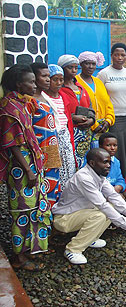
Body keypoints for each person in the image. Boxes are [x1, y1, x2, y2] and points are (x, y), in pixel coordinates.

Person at [52, 148, 126, 265]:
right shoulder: (84, 178)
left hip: (81, 212)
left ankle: (90, 238)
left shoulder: (98, 175)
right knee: (101, 215)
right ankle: (73, 249)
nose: (108, 165)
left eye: (109, 162)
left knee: (112, 206)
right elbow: (102, 205)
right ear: (92, 163)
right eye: (104, 162)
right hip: (64, 218)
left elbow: (113, 195)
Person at [0, 64, 52, 271]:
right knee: (22, 210)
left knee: (34, 207)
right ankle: (19, 257)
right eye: (30, 82)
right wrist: (28, 170)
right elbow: (11, 144)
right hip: (20, 168)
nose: (34, 85)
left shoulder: (21, 103)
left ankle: (31, 248)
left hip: (31, 163)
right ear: (18, 84)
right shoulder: (8, 109)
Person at [97, 43, 126, 176]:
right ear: (111, 56)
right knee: (114, 150)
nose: (119, 57)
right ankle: (113, 178)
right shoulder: (104, 74)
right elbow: (99, 97)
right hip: (113, 119)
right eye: (116, 55)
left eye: (123, 55)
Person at [30, 62, 62, 207]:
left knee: (53, 184)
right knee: (41, 185)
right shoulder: (30, 100)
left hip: (52, 148)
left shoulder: (45, 96)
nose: (48, 79)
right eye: (44, 76)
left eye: (49, 76)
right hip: (39, 149)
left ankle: (52, 221)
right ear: (34, 78)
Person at [57, 54, 95, 169]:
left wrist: (91, 120)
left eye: (75, 68)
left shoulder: (80, 87)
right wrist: (73, 118)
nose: (73, 71)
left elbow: (90, 107)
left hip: (85, 133)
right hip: (69, 132)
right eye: (70, 67)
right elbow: (59, 110)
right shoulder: (59, 89)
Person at [44, 64, 77, 192]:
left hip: (65, 136)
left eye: (61, 80)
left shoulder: (63, 96)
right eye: (54, 79)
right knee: (55, 171)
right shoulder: (44, 97)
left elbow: (67, 116)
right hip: (53, 138)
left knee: (69, 169)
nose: (58, 83)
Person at [76, 51, 115, 148]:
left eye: (93, 64)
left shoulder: (98, 82)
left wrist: (108, 121)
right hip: (86, 128)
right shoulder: (76, 82)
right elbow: (79, 106)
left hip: (103, 129)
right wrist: (94, 124)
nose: (90, 67)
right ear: (81, 65)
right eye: (87, 63)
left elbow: (107, 103)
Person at [99, 132, 126, 212]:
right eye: (108, 145)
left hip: (114, 191)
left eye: (115, 145)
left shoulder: (116, 162)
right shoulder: (96, 162)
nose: (112, 148)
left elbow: (120, 179)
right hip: (101, 193)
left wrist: (119, 186)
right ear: (100, 146)